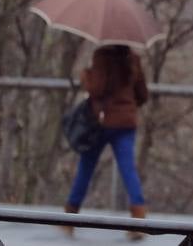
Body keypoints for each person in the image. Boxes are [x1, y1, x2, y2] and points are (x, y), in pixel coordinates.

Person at [63, 44, 149, 239]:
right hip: (126, 122)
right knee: (128, 170)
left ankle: (69, 217)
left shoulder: (102, 56)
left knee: (86, 168)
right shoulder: (132, 58)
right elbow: (142, 94)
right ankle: (139, 219)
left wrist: (86, 74)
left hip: (102, 122)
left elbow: (96, 89)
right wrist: (127, 105)